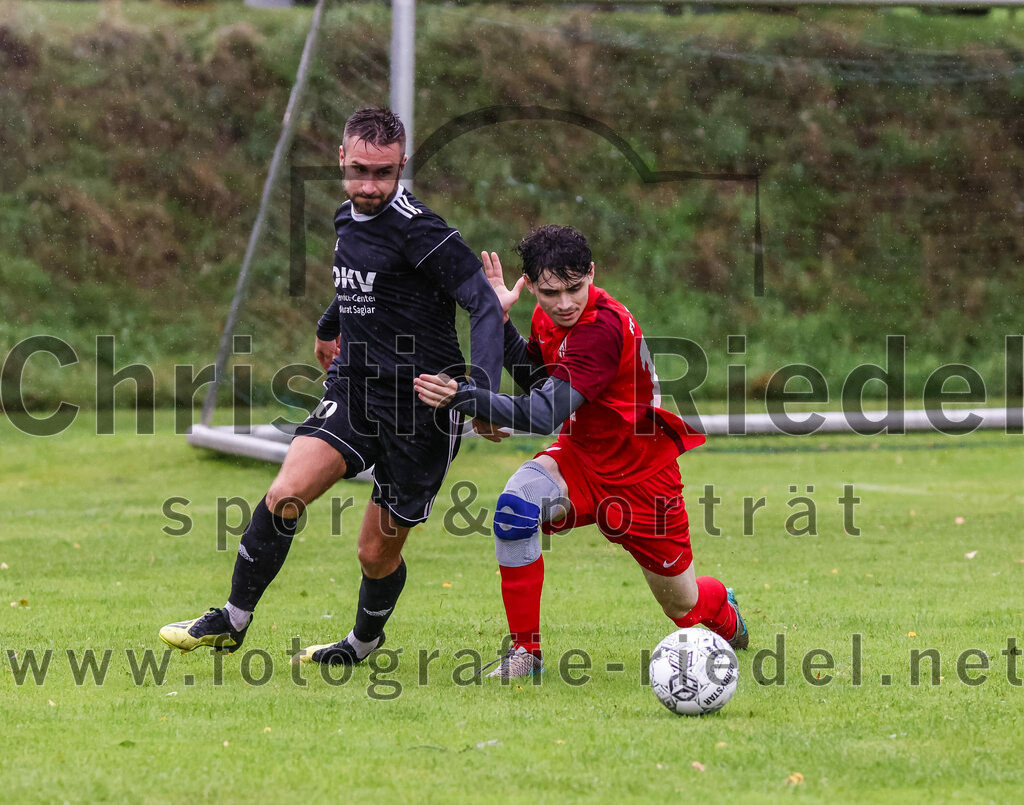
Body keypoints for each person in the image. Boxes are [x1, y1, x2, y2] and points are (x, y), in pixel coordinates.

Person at [160, 107, 504, 666]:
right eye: (360, 170)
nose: (370, 186)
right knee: (284, 493)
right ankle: (232, 619)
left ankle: (362, 644)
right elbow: (360, 278)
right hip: (355, 388)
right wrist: (330, 327)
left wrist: (483, 396)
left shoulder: (423, 231)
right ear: (341, 158)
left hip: (422, 408)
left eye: (384, 174)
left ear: (403, 166)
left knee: (375, 553)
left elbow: (484, 305)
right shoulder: (347, 216)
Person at [413, 225, 748, 678]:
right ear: (530, 285)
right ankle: (526, 654)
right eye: (551, 292)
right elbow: (539, 381)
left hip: (641, 476)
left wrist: (465, 397)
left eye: (576, 288)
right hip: (580, 456)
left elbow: (545, 412)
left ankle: (723, 608)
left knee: (685, 607)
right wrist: (499, 320)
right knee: (515, 508)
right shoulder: (547, 318)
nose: (566, 303)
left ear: (592, 273)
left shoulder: (601, 328)